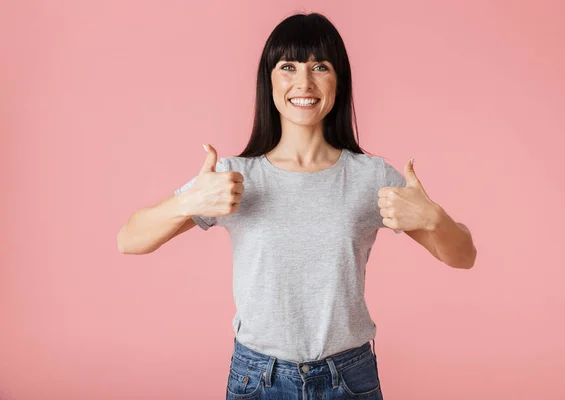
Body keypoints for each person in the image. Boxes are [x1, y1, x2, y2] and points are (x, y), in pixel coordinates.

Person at [117, 12, 477, 400]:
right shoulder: (234, 176)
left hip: (349, 377)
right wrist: (187, 202)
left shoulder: (370, 176)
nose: (303, 82)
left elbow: (464, 256)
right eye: (287, 66)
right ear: (268, 80)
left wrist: (434, 218)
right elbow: (130, 239)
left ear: (338, 80)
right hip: (258, 379)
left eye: (320, 66)